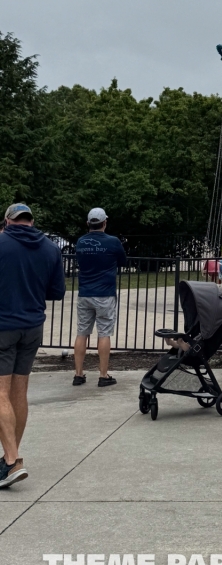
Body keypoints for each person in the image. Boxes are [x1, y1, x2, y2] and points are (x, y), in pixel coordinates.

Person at [0, 203, 65, 488]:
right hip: (33, 326)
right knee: (19, 390)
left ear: (7, 221)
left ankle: (13, 460)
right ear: (32, 221)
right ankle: (8, 458)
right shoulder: (51, 249)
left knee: (0, 391)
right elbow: (57, 292)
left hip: (3, 325)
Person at [73, 208, 126, 388]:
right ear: (105, 223)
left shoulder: (80, 242)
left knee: (82, 332)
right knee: (104, 333)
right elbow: (123, 261)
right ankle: (103, 375)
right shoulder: (113, 242)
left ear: (88, 224)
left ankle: (78, 374)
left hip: (84, 293)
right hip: (105, 293)